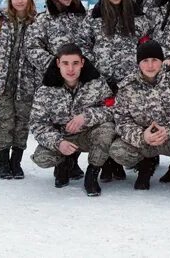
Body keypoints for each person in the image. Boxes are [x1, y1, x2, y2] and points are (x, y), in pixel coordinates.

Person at [109, 40, 170, 201]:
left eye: (155, 60)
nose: (150, 65)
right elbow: (121, 121)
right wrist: (142, 136)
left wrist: (169, 130)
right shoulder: (127, 87)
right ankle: (145, 168)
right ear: (138, 63)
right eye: (145, 61)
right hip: (146, 142)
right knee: (117, 150)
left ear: (161, 61)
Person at [79, 0, 151, 182]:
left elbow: (145, 45)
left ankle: (119, 161)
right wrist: (94, 70)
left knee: (126, 118)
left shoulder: (138, 18)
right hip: (102, 80)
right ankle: (106, 163)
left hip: (129, 81)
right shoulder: (93, 19)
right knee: (107, 120)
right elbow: (84, 46)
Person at [30, 44, 116, 197]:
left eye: (75, 63)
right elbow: (38, 125)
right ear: (58, 63)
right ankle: (64, 163)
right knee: (42, 158)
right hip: (63, 137)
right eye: (65, 63)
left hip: (88, 135)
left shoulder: (97, 83)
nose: (71, 69)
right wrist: (58, 143)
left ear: (82, 63)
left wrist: (87, 117)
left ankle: (92, 174)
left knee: (107, 129)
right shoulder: (45, 90)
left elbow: (114, 110)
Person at [27, 0, 87, 180]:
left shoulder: (81, 17)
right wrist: (55, 66)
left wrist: (82, 67)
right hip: (54, 80)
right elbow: (32, 47)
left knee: (76, 121)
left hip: (79, 78)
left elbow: (90, 42)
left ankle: (74, 161)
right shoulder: (42, 20)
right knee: (57, 121)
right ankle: (60, 162)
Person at [0, 0, 38, 180]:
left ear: (29, 0)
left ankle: (16, 162)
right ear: (10, 1)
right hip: (2, 81)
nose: (20, 1)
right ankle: (4, 164)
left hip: (27, 82)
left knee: (22, 122)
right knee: (5, 122)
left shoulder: (37, 23)